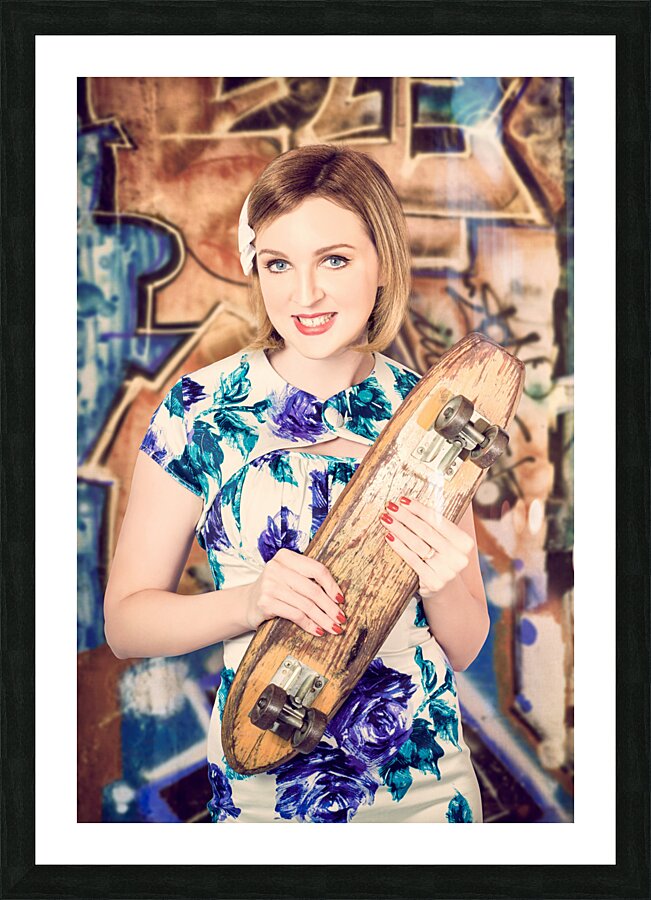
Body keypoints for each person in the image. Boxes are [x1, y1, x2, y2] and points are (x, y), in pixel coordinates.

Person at [104, 144, 490, 823]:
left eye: (333, 259)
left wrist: (440, 581)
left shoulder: (433, 410)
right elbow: (125, 625)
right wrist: (248, 603)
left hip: (428, 792)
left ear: (381, 263)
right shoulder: (202, 409)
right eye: (279, 264)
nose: (303, 294)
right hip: (269, 798)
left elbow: (462, 644)